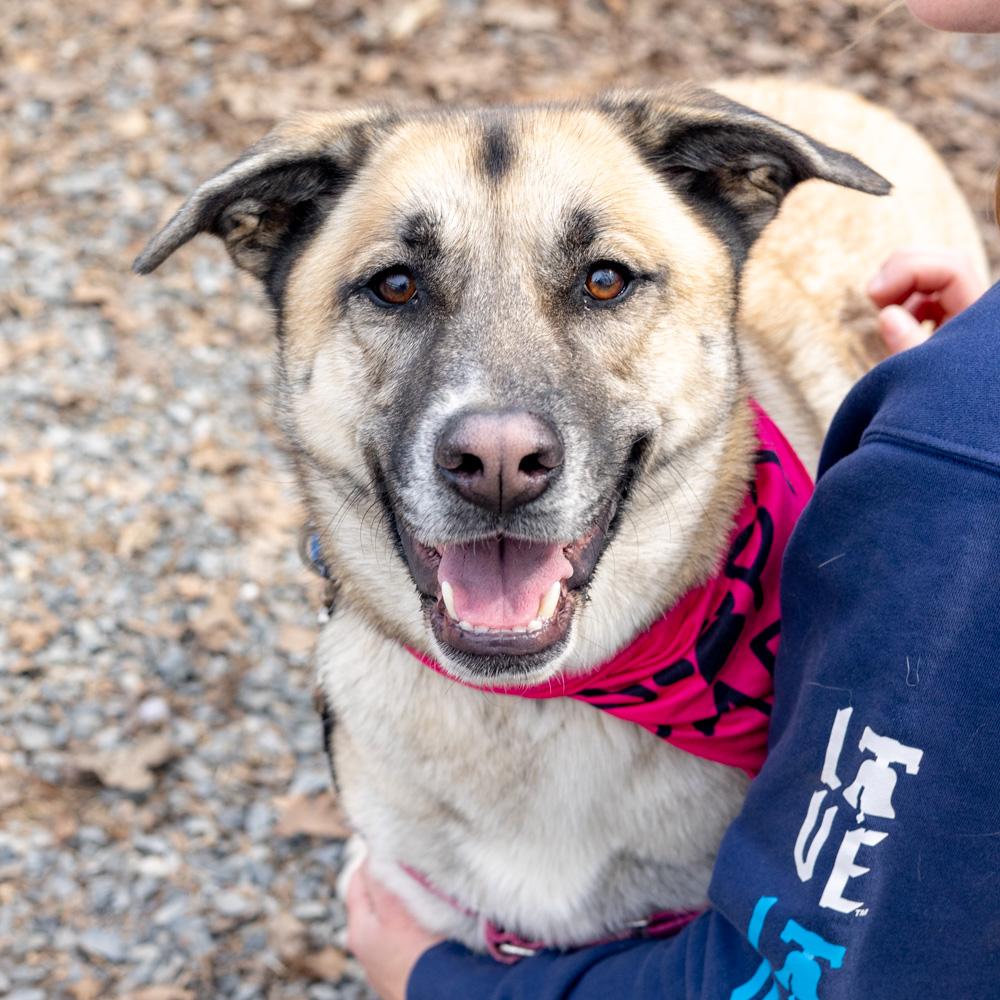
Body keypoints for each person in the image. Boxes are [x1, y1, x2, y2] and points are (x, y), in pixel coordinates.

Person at [345, 4, 1000, 997]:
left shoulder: (953, 482)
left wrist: (437, 981)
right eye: (396, 287)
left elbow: (823, 971)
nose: (496, 443)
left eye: (605, 280)